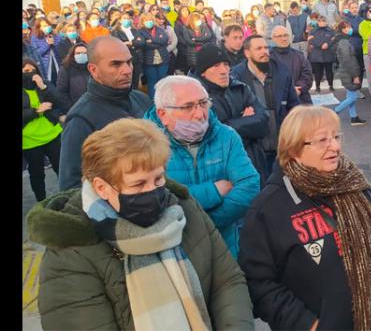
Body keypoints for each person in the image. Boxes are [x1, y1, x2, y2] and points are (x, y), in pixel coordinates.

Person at [27, 118, 254, 330]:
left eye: (158, 179)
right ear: (102, 187)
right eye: (138, 185)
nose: (153, 192)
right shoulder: (71, 249)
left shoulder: (184, 210)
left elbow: (227, 281)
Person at [238, 106, 371, 330]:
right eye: (322, 140)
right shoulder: (269, 209)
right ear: (294, 149)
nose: (334, 146)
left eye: (335, 136)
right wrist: (307, 324)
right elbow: (258, 282)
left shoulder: (354, 183)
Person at [143, 75, 260, 258]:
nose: (199, 114)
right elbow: (155, 201)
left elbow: (249, 186)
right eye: (188, 107)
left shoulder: (226, 136)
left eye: (203, 103)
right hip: (174, 256)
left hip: (226, 250)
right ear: (163, 114)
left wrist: (206, 223)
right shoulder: (144, 146)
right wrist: (213, 191)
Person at [58, 36, 153, 191]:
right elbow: (70, 186)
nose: (127, 71)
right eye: (116, 64)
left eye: (129, 62)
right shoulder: (80, 119)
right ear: (93, 70)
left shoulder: (141, 99)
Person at [192, 44, 271, 189]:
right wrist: (245, 121)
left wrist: (229, 124)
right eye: (216, 66)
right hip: (222, 172)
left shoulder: (240, 88)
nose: (224, 71)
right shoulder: (195, 96)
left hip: (254, 163)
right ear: (203, 72)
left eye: (226, 64)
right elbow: (211, 133)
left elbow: (263, 122)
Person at [231, 34, 300, 178]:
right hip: (254, 150)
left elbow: (294, 105)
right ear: (247, 53)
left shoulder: (281, 71)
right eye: (259, 49)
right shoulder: (235, 77)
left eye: (266, 48)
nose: (265, 52)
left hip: (281, 146)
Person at [23, 58, 66, 202]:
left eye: (32, 70)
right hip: (30, 140)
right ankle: (41, 201)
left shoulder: (43, 83)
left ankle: (68, 196)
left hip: (52, 133)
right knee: (37, 174)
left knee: (61, 167)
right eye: (25, 71)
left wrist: (43, 87)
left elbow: (59, 100)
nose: (30, 73)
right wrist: (36, 111)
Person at [331, 21, 367, 125]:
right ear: (343, 29)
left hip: (346, 71)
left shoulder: (344, 40)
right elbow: (348, 60)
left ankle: (354, 117)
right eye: (348, 27)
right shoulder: (344, 42)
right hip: (348, 73)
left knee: (350, 95)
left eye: (350, 26)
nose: (350, 29)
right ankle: (334, 112)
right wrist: (355, 75)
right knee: (353, 97)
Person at [269, 26, 314, 104]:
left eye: (286, 35)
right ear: (273, 38)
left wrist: (298, 89)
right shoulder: (269, 57)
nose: (284, 38)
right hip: (279, 102)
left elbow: (307, 76)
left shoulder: (299, 55)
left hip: (301, 99)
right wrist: (288, 92)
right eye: (279, 36)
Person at [133, 14, 171, 99]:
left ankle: (163, 99)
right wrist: (158, 43)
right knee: (152, 82)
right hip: (149, 61)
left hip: (163, 59)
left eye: (150, 20)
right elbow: (142, 43)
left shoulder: (160, 29)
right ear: (142, 22)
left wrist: (152, 40)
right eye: (146, 20)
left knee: (162, 81)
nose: (149, 22)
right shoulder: (140, 32)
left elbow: (165, 39)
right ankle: (152, 101)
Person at [307, 15, 337, 93]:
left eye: (324, 21)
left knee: (329, 71)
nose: (322, 22)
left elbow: (334, 39)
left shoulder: (331, 30)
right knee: (318, 72)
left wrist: (327, 44)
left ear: (326, 22)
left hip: (328, 54)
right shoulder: (313, 31)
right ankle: (317, 86)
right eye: (320, 21)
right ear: (317, 22)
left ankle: (331, 85)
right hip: (317, 55)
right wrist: (321, 45)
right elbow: (310, 40)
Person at [56, 42, 91, 110]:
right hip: (75, 108)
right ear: (73, 55)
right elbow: (61, 91)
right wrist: (72, 108)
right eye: (78, 53)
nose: (81, 55)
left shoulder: (92, 67)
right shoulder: (66, 68)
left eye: (84, 53)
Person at [31, 18, 65, 84]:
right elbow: (36, 53)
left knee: (60, 81)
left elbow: (61, 51)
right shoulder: (35, 38)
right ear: (39, 28)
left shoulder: (57, 36)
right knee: (49, 83)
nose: (46, 27)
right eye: (44, 26)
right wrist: (47, 44)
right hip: (45, 65)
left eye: (47, 25)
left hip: (57, 63)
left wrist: (54, 44)